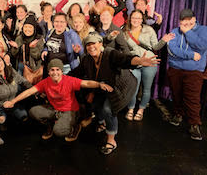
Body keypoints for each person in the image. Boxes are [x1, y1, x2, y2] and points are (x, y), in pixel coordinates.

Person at [70, 34, 160, 154]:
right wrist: (59, 77)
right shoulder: (87, 59)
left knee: (108, 109)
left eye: (94, 44)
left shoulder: (110, 54)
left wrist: (139, 61)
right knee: (94, 104)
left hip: (120, 87)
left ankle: (111, 141)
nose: (91, 47)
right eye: (88, 45)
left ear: (100, 44)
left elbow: (125, 59)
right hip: (103, 87)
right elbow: (76, 72)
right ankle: (102, 123)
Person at [3, 58, 113, 142]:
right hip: (54, 109)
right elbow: (29, 91)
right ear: (49, 72)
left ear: (61, 71)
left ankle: (75, 125)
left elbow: (87, 83)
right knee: (33, 112)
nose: (55, 72)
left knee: (59, 132)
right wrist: (13, 101)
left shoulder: (69, 80)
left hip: (70, 110)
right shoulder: (46, 82)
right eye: (52, 70)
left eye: (57, 70)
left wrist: (99, 84)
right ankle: (52, 122)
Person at [124, 10, 174, 121]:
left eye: (138, 18)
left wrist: (163, 41)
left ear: (142, 20)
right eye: (133, 18)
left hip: (150, 62)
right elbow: (125, 51)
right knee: (133, 89)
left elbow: (155, 47)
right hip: (135, 63)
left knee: (146, 89)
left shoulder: (149, 30)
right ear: (130, 19)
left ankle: (141, 110)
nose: (136, 20)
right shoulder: (125, 32)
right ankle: (131, 109)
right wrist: (133, 60)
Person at [167, 9, 207, 140]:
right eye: (183, 20)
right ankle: (178, 114)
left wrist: (188, 32)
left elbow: (201, 46)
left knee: (192, 98)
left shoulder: (203, 30)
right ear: (180, 20)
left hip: (194, 70)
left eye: (189, 19)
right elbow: (172, 49)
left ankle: (194, 124)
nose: (186, 22)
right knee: (177, 94)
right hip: (175, 68)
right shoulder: (174, 31)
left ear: (194, 19)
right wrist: (190, 55)